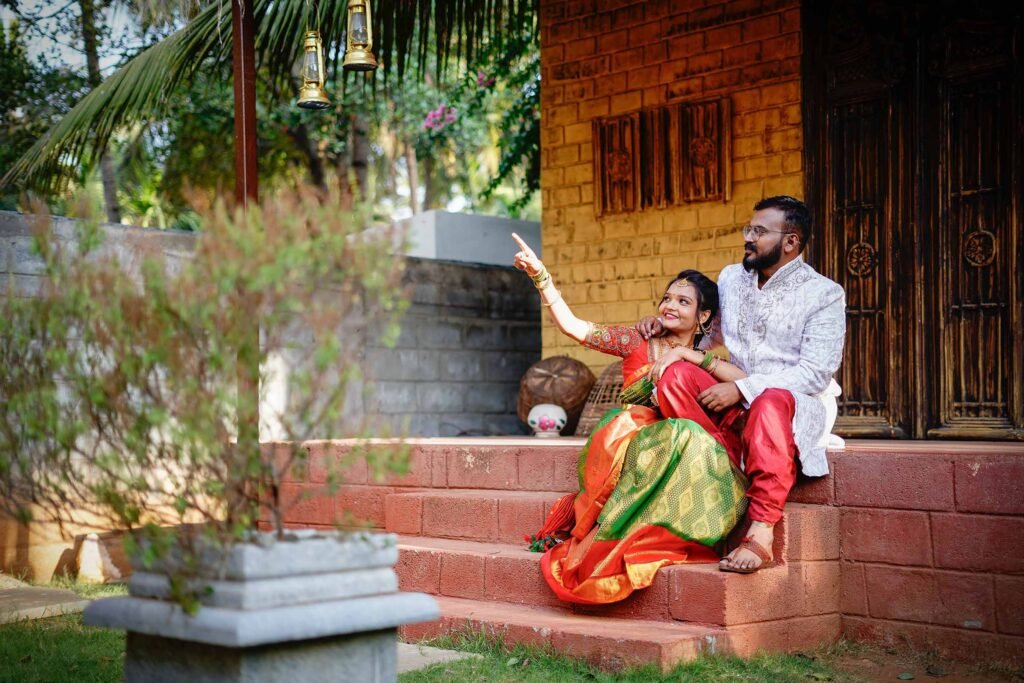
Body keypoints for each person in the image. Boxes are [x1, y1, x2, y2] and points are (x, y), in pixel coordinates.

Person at [511, 233, 750, 605]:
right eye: (667, 298)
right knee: (655, 430)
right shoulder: (635, 341)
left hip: (683, 447)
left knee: (685, 435)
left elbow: (746, 384)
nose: (670, 305)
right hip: (630, 443)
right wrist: (543, 278)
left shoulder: (704, 358)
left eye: (683, 301)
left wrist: (689, 357)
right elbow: (574, 328)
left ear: (703, 316)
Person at [637, 195, 846, 574]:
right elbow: (708, 334)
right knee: (676, 375)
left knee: (768, 401)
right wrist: (662, 328)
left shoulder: (824, 294)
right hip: (733, 394)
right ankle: (723, 469)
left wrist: (745, 389)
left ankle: (762, 531)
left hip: (794, 401)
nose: (748, 237)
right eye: (749, 229)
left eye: (759, 231)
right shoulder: (733, 278)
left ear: (790, 242)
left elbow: (815, 373)